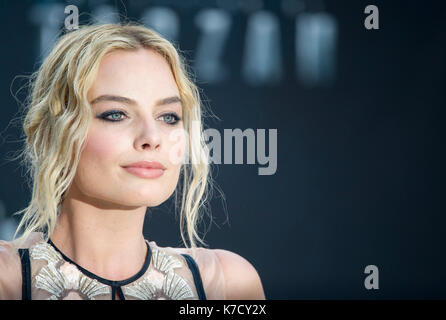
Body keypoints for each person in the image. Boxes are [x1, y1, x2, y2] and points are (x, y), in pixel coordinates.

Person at [0, 23, 265, 300]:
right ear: (52, 133)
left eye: (168, 117)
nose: (152, 137)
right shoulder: (7, 281)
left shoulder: (225, 284)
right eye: (116, 114)